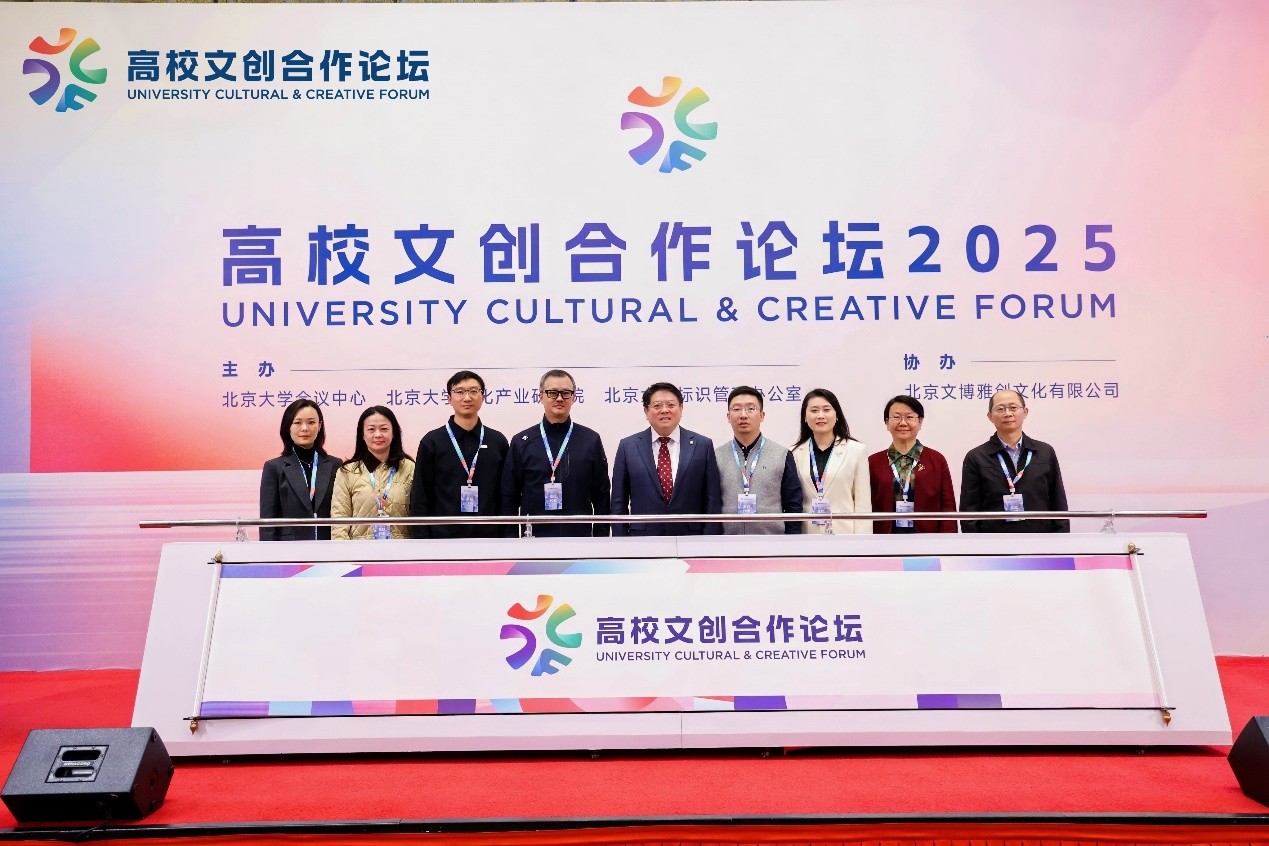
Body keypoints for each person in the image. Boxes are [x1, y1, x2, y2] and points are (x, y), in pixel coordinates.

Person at [502, 369, 610, 538]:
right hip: (533, 538)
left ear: (573, 397)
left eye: (565, 393)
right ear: (541, 396)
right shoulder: (522, 441)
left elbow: (601, 494)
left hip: (580, 538)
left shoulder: (590, 440)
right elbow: (509, 495)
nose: (559, 398)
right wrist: (511, 539)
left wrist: (600, 539)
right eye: (552, 393)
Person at [610, 382, 722, 536]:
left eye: (671, 405)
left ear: (681, 408)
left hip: (691, 539)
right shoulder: (628, 446)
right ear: (646, 411)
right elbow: (618, 502)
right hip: (642, 539)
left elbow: (712, 499)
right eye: (657, 406)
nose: (664, 410)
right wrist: (621, 542)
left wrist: (709, 540)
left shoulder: (702, 445)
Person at [409, 371, 509, 539]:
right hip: (442, 538)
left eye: (473, 391)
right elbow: (420, 496)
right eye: (460, 392)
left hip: (489, 538)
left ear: (483, 396)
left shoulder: (497, 441)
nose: (467, 398)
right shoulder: (432, 442)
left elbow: (505, 495)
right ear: (449, 398)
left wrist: (507, 538)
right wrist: (422, 541)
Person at [960, 389, 1070, 533]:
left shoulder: (1044, 452)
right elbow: (969, 510)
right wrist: (975, 544)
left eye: (1013, 407)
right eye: (1000, 409)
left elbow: (1058, 501)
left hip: (1040, 539)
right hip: (994, 541)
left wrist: (1061, 539)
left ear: (1025, 412)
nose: (1007, 413)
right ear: (990, 416)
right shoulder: (976, 457)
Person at [715, 386, 802, 535]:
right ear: (728, 416)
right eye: (737, 409)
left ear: (762, 415)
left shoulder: (782, 455)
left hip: (772, 542)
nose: (743, 415)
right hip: (727, 542)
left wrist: (791, 541)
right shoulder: (716, 456)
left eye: (751, 408)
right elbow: (710, 503)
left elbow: (793, 503)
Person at [867, 395, 957, 534]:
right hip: (883, 540)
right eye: (896, 417)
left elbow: (947, 506)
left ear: (920, 422)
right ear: (887, 423)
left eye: (909, 417)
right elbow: (866, 506)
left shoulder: (936, 459)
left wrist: (947, 541)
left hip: (927, 540)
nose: (903, 423)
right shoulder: (873, 462)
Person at [259, 399, 343, 541]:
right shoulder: (274, 468)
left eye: (311, 422)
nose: (305, 428)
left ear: (319, 426)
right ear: (288, 427)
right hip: (290, 549)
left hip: (329, 546)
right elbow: (267, 524)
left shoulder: (335, 465)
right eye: (297, 423)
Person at [790, 388, 871, 534]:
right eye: (814, 410)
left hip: (845, 536)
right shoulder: (794, 453)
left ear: (837, 414)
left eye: (826, 410)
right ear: (805, 417)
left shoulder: (856, 450)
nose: (820, 416)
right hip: (807, 537)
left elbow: (863, 504)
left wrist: (862, 542)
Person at [332, 406, 415, 540]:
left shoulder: (410, 468)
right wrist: (343, 551)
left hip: (401, 549)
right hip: (359, 550)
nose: (378, 435)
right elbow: (339, 522)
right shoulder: (347, 472)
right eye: (371, 429)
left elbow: (419, 515)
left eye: (384, 429)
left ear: (394, 432)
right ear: (362, 435)